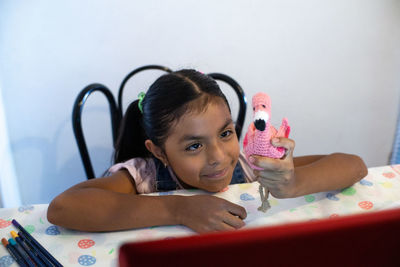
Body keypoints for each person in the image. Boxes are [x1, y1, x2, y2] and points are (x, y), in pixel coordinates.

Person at [47, 69, 368, 233]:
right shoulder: (142, 176)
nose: (218, 156)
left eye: (225, 133)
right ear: (158, 152)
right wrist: (180, 210)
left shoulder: (248, 164)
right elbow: (63, 208)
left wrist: (294, 183)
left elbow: (354, 166)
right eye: (195, 145)